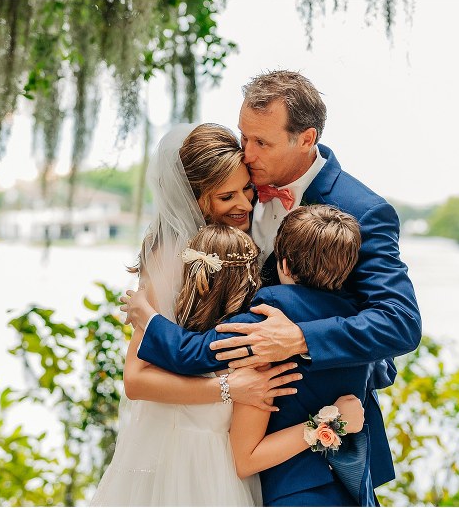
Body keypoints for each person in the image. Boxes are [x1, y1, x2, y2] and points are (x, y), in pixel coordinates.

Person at [130, 70, 422, 502]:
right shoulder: (230, 196)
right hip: (224, 443)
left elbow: (399, 324)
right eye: (244, 137)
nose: (246, 154)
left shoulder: (362, 211)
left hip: (318, 455)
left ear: (306, 139)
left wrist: (298, 338)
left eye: (261, 143)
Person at [91, 123, 342, 506]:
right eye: (227, 196)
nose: (245, 204)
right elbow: (136, 380)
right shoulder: (171, 256)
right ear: (194, 199)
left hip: (231, 441)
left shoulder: (242, 240)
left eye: (247, 189)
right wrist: (229, 388)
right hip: (185, 444)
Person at [130, 206, 379, 506]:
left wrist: (148, 319)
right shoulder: (358, 325)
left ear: (283, 264)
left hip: (295, 492)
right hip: (350, 489)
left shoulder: (270, 314)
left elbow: (195, 353)